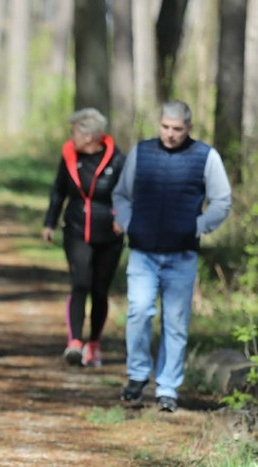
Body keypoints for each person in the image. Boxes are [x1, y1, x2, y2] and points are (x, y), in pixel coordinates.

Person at [112, 99, 232, 412]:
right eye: (165, 127)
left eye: (177, 129)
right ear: (159, 124)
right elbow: (121, 195)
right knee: (138, 312)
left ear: (188, 128)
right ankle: (137, 376)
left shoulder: (206, 157)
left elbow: (222, 201)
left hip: (182, 256)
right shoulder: (142, 152)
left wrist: (198, 226)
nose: (169, 134)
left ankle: (168, 388)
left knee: (176, 322)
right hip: (143, 252)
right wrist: (128, 223)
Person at [42, 108, 127, 369]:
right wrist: (49, 222)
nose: (71, 136)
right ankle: (75, 343)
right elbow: (58, 191)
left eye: (75, 131)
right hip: (76, 229)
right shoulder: (69, 156)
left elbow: (128, 193)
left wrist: (121, 216)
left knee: (100, 290)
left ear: (90, 136)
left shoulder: (117, 160)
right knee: (80, 283)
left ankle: (95, 344)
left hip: (109, 234)